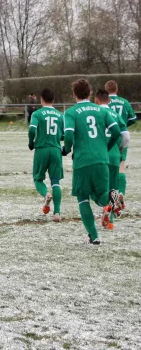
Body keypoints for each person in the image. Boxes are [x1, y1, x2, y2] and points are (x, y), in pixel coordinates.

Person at [62, 79, 121, 245]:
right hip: (102, 159)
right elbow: (116, 132)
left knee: (82, 198)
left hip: (83, 161)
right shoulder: (101, 111)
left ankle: (94, 236)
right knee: (102, 195)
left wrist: (66, 149)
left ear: (74, 94)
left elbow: (67, 135)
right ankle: (112, 197)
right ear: (90, 93)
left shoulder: (71, 112)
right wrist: (106, 148)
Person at [95, 89, 130, 229]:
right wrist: (119, 149)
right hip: (114, 155)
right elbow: (126, 136)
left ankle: (106, 207)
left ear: (96, 100)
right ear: (109, 101)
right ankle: (110, 221)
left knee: (98, 189)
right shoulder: (115, 114)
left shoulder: (94, 113)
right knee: (113, 188)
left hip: (99, 155)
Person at [28, 89, 64, 222]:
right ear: (53, 100)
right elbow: (65, 134)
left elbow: (32, 129)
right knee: (56, 181)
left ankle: (46, 194)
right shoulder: (60, 115)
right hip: (55, 149)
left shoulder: (37, 114)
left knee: (38, 179)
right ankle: (57, 213)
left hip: (42, 149)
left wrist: (31, 142)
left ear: (42, 99)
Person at [106, 80, 136, 210]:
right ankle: (121, 193)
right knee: (121, 166)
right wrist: (123, 126)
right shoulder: (124, 102)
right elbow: (133, 119)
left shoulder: (104, 103)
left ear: (105, 91)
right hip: (122, 136)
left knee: (109, 169)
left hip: (108, 137)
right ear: (117, 90)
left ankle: (110, 198)